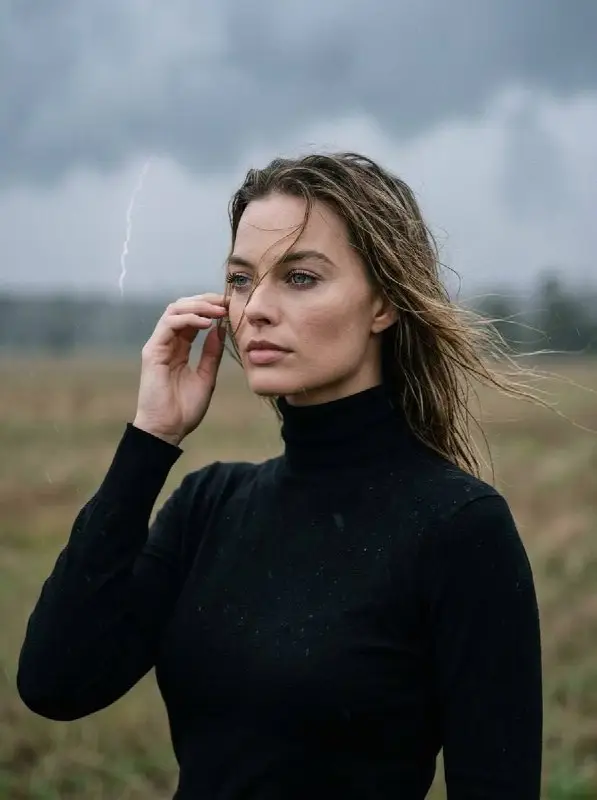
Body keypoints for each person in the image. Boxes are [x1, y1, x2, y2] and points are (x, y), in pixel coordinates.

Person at [17, 152, 543, 799]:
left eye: (298, 278)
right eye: (241, 279)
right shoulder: (208, 506)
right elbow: (56, 683)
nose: (255, 308)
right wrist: (151, 438)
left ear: (382, 303)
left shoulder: (458, 528)